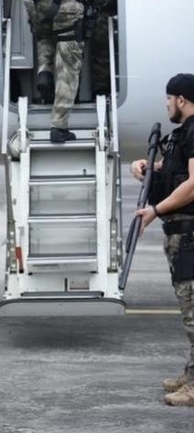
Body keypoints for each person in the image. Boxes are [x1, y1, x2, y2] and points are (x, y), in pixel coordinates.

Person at [131, 73, 194, 407]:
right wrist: (146, 166)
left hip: (190, 235)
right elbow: (174, 170)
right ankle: (192, 372)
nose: (167, 105)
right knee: (190, 308)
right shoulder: (181, 135)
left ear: (181, 100)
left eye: (169, 99)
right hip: (181, 236)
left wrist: (156, 209)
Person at [22, 0, 114, 143]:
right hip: (67, 1)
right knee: (68, 66)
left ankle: (44, 71)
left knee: (44, 34)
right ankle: (59, 127)